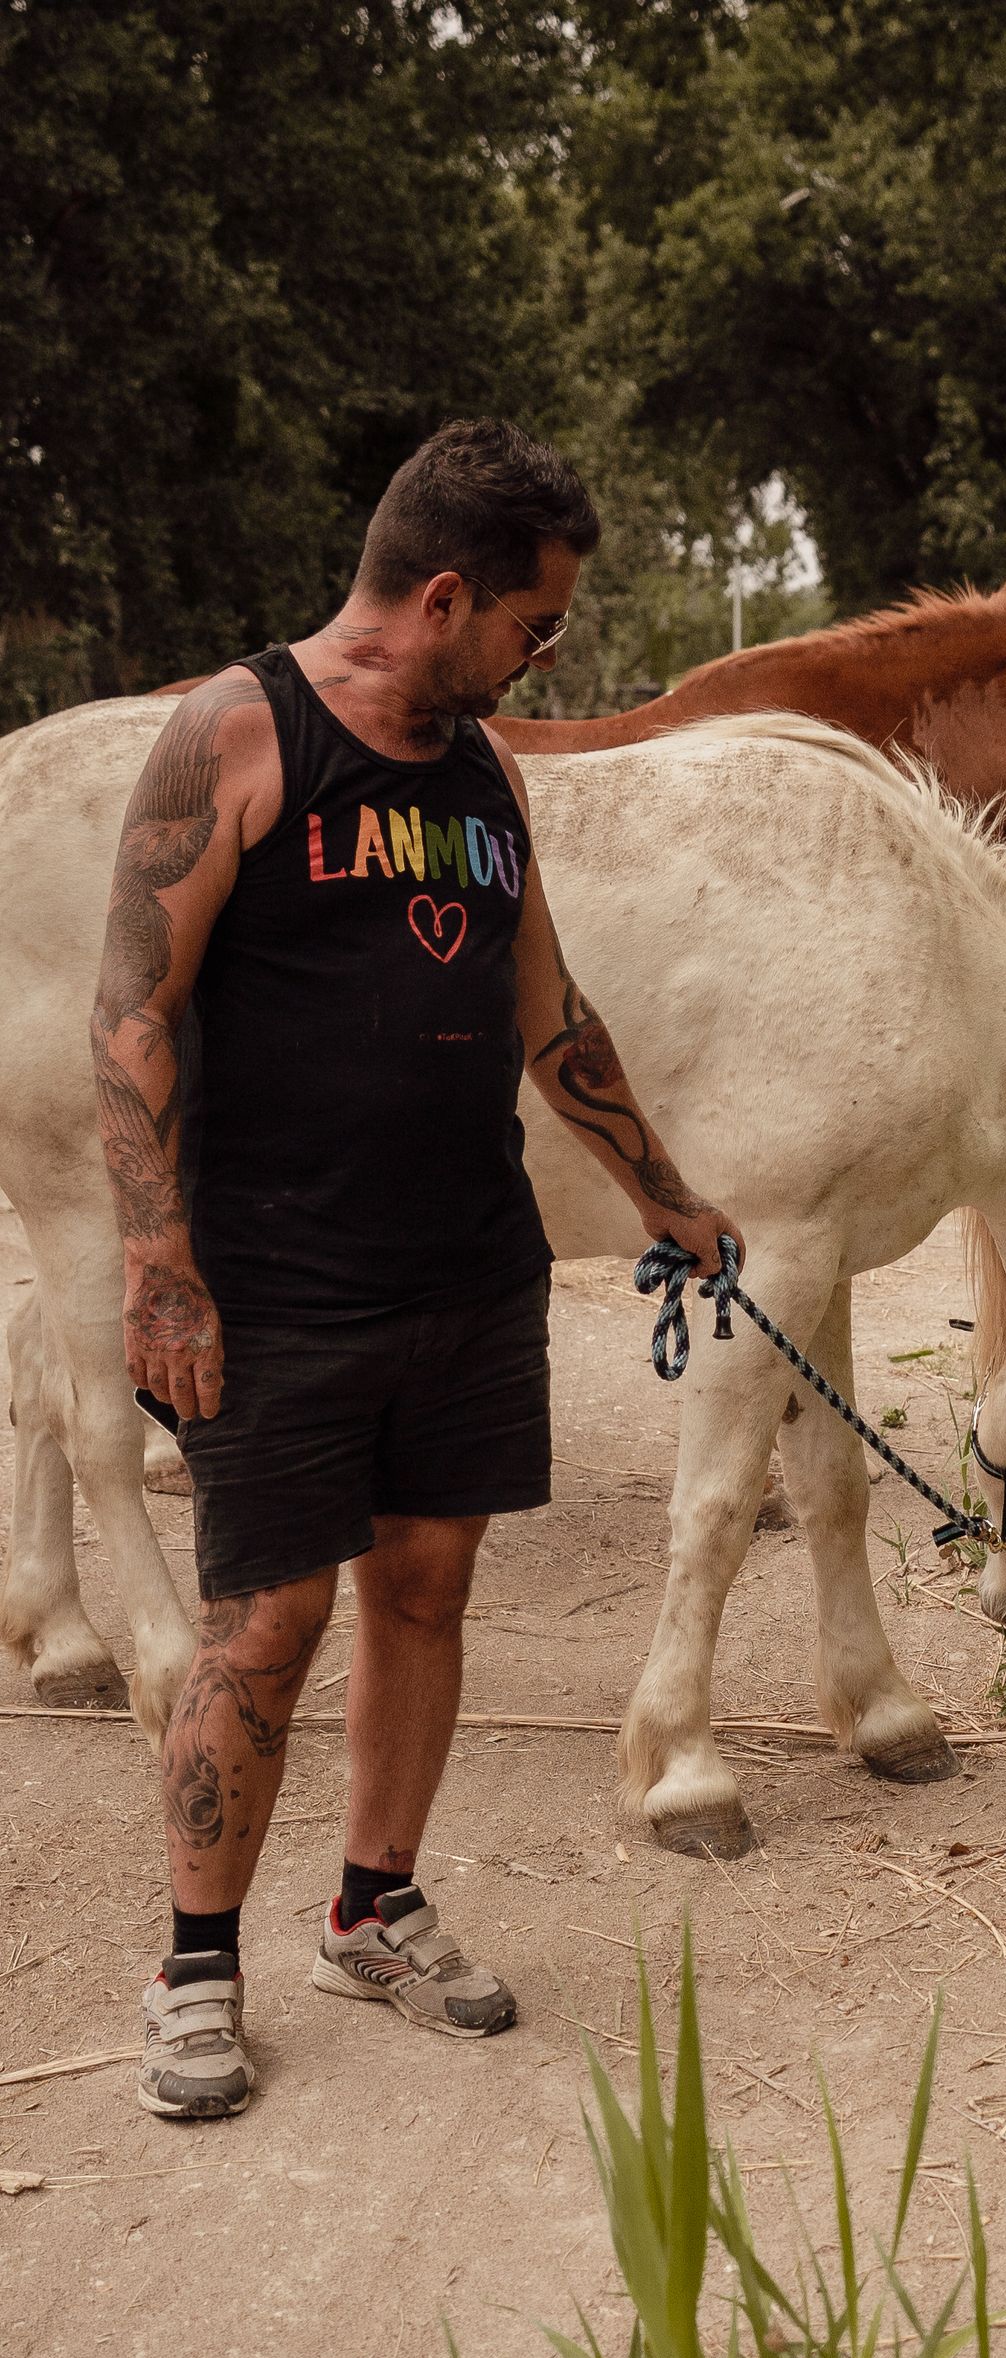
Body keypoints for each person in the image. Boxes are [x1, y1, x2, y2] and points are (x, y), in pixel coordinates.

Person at [91, 417, 743, 2122]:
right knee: (269, 1619)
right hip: (278, 1275)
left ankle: (372, 1910)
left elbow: (551, 1013)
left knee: (428, 1588)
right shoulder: (239, 733)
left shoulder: (484, 773)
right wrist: (159, 1263)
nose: (549, 653)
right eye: (537, 622)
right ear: (444, 597)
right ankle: (195, 1965)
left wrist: (667, 1195)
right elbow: (133, 1010)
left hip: (468, 1264)